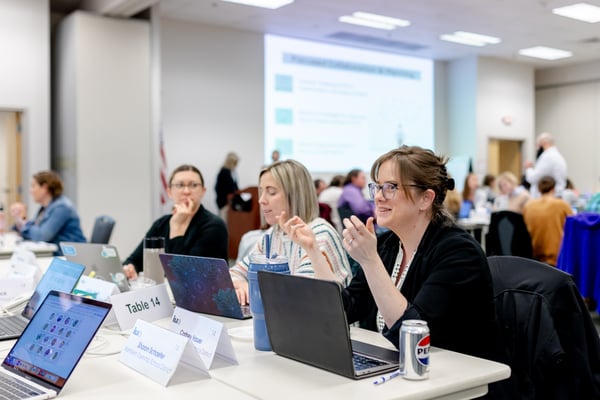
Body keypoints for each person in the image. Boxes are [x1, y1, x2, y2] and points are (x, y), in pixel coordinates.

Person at [308, 146, 500, 364]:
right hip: (399, 372)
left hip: (454, 382)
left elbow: (414, 338)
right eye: (378, 187)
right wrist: (314, 251)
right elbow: (347, 310)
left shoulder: (459, 253)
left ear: (425, 199)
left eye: (391, 187)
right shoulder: (388, 245)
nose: (379, 197)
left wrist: (370, 261)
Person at [230, 160, 352, 305]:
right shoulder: (273, 234)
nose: (261, 200)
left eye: (271, 192)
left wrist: (252, 290)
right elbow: (233, 274)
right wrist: (243, 285)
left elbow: (297, 295)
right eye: (261, 192)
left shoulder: (319, 234)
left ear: (295, 195)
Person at [123, 164, 228, 279]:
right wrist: (130, 269)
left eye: (193, 185)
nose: (186, 191)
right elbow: (134, 260)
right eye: (180, 185)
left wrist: (177, 227)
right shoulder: (161, 223)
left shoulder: (214, 225)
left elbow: (186, 277)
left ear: (203, 191)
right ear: (169, 192)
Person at [10, 170, 86, 250]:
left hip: (70, 256)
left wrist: (23, 221)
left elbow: (42, 236)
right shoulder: (45, 208)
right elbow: (32, 231)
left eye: (33, 186)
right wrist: (20, 220)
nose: (31, 191)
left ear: (44, 188)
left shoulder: (61, 207)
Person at [522, 176, 573, 266]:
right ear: (554, 188)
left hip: (533, 256)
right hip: (555, 257)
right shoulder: (561, 204)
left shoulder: (528, 206)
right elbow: (573, 226)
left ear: (538, 189)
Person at [524, 132, 567, 198]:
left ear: (543, 143)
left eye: (537, 145)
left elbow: (533, 178)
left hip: (546, 198)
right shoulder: (557, 156)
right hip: (553, 196)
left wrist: (528, 168)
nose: (537, 149)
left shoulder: (548, 157)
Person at [215, 152, 240, 220]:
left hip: (230, 203)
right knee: (225, 223)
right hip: (224, 203)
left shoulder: (232, 172)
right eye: (235, 163)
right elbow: (221, 188)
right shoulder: (224, 172)